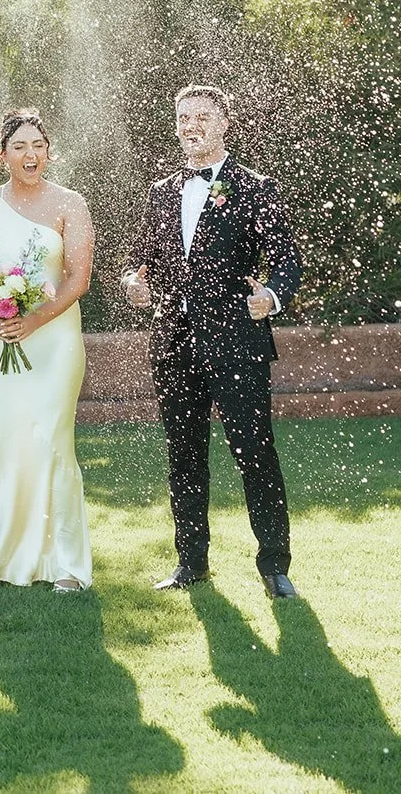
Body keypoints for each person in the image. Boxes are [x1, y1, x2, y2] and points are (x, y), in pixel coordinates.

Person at [122, 84, 303, 599]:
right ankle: (191, 562)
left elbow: (288, 262)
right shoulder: (159, 192)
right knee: (183, 453)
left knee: (255, 452)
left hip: (238, 343)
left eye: (202, 116)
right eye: (183, 117)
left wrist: (271, 295)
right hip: (174, 342)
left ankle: (275, 566)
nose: (191, 124)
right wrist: (133, 285)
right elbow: (141, 263)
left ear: (224, 123)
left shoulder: (256, 188)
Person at [0, 109, 94, 592]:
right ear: (3, 156)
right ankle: (0, 561)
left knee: (52, 443)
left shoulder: (71, 205)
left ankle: (65, 565)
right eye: (20, 146)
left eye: (38, 145)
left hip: (54, 342)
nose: (30, 154)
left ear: (49, 151)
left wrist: (33, 319)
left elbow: (78, 279)